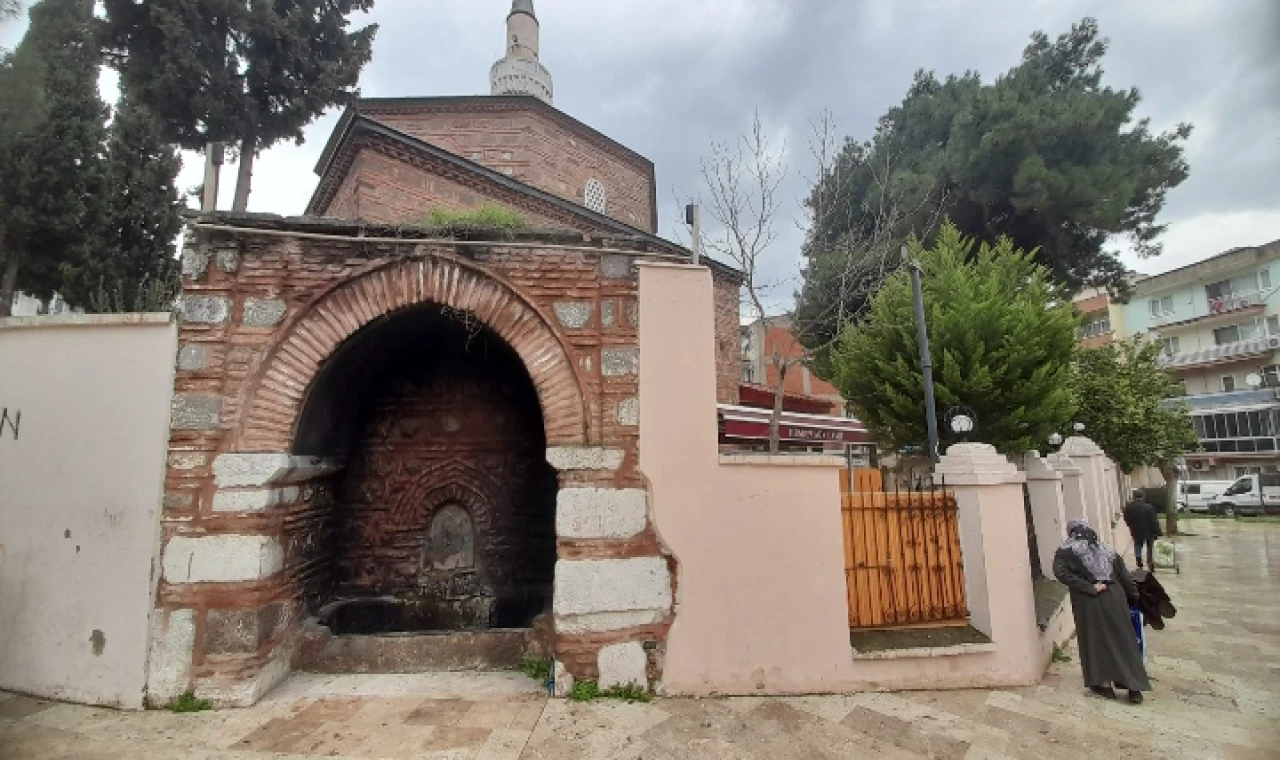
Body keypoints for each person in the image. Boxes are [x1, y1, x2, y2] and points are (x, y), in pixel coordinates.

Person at [1053, 518, 1151, 704]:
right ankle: (1134, 688)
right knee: (1124, 640)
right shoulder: (1107, 549)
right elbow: (1124, 577)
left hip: (1088, 601)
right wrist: (1135, 597)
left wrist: (1088, 587)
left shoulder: (1066, 550)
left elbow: (1061, 573)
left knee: (1095, 641)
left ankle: (1104, 686)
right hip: (1115, 597)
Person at [1123, 490, 1162, 569]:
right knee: (1150, 547)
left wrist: (1130, 525)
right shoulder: (1149, 507)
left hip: (1136, 530)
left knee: (1138, 545)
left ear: (1134, 497)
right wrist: (1158, 531)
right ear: (1143, 497)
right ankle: (1150, 562)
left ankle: (1138, 559)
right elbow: (1154, 521)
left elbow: (1126, 518)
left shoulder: (1129, 507)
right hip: (1149, 531)